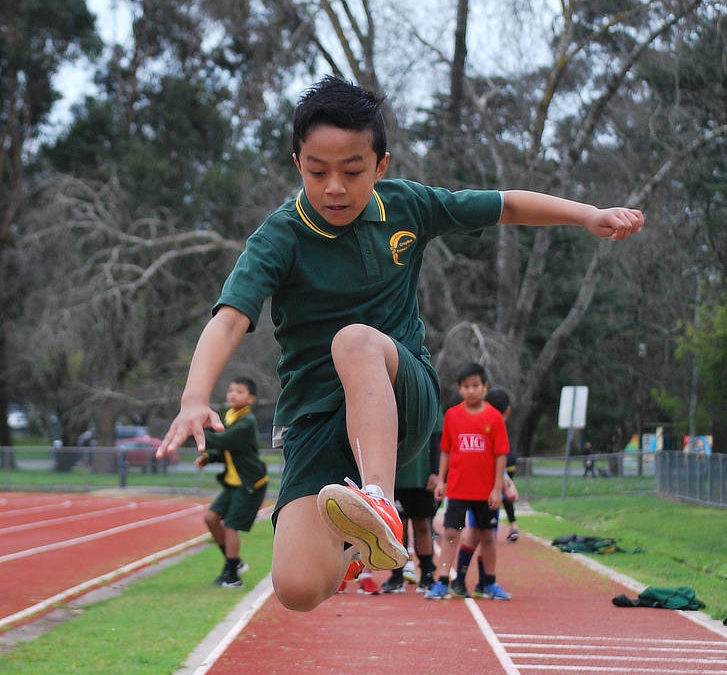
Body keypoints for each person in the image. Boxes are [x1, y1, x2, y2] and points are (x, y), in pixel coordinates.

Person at [157, 75, 643, 612]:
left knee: (355, 341)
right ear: (298, 163)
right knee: (296, 589)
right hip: (317, 422)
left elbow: (504, 205)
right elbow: (229, 320)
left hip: (399, 391)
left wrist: (588, 216)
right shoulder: (279, 237)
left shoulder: (408, 206)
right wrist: (194, 398)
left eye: (352, 171)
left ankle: (380, 502)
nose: (334, 188)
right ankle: (365, 542)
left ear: (381, 166)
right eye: (318, 172)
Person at [426, 364, 510, 600]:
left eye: (476, 386)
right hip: (458, 489)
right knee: (451, 533)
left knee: (488, 536)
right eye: (466, 387)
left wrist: (496, 488)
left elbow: (500, 454)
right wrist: (441, 481)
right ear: (460, 389)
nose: (471, 391)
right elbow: (446, 451)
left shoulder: (494, 418)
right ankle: (442, 581)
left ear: (485, 387)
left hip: (485, 492)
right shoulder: (453, 416)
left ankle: (489, 583)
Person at [194, 377, 268, 588]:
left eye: (240, 391)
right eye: (231, 390)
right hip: (232, 484)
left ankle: (232, 576)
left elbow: (224, 441)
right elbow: (227, 450)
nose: (233, 394)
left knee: (231, 526)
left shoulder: (246, 422)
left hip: (250, 484)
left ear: (251, 399)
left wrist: (196, 429)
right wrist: (209, 457)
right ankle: (233, 563)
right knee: (210, 518)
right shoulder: (230, 416)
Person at [452, 386, 514, 599]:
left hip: (483, 490)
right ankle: (472, 582)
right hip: (482, 492)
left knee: (482, 535)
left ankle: (481, 582)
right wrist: (507, 486)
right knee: (478, 535)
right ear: (507, 412)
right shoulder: (489, 426)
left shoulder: (490, 426)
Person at [381, 414, 442, 594]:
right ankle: (397, 574)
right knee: (397, 527)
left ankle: (426, 574)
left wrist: (435, 472)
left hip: (422, 477)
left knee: (423, 526)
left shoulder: (430, 399)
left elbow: (436, 440)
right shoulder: (389, 397)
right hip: (397, 476)